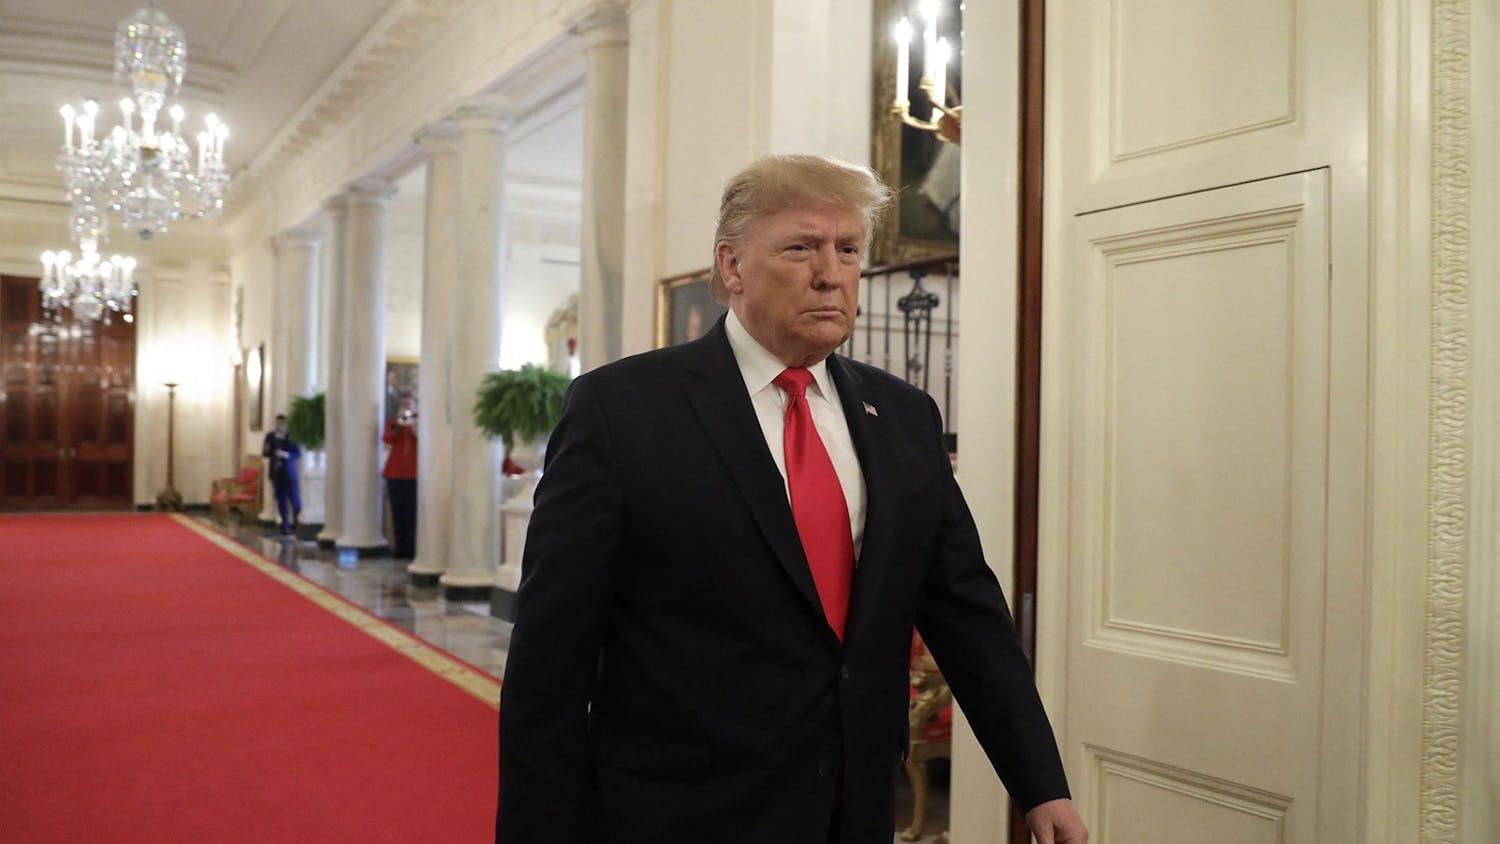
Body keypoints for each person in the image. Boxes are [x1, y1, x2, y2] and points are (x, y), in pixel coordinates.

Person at [496, 155, 1087, 844]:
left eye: (847, 250)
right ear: (732, 267)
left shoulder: (902, 417)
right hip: (678, 813)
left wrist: (1040, 782)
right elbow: (549, 663)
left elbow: (968, 614)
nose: (830, 273)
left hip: (853, 809)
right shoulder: (621, 410)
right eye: (801, 247)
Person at [382, 393, 418, 559]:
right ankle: (399, 547)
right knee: (397, 512)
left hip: (413, 474)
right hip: (395, 473)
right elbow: (387, 438)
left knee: (411, 513)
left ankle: (411, 547)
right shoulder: (393, 422)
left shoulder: (418, 423)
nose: (406, 408)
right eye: (404, 405)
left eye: (409, 404)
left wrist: (412, 425)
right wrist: (398, 424)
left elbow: (420, 438)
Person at [261, 413, 302, 537]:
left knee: (294, 499)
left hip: (289, 472)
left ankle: (297, 522)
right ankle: (285, 525)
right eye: (278, 423)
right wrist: (267, 451)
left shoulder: (292, 436)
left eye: (282, 423)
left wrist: (285, 455)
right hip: (276, 472)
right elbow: (265, 453)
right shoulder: (270, 436)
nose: (279, 425)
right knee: (281, 500)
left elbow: (298, 453)